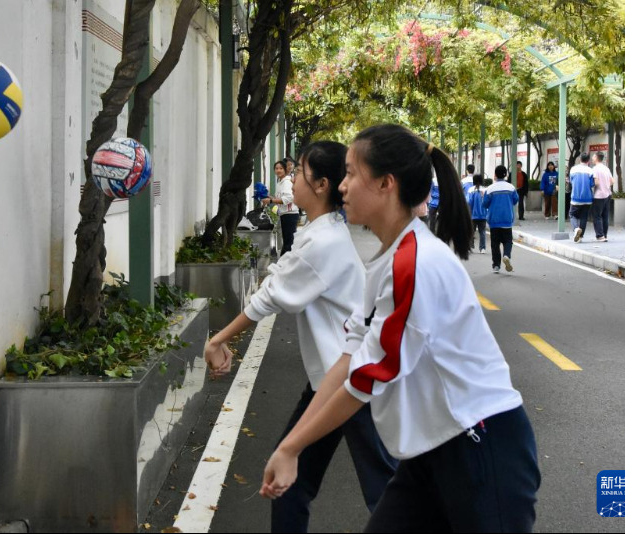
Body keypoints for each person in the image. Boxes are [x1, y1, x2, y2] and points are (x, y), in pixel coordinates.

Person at [260, 124, 540, 533]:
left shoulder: (414, 263)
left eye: (351, 173)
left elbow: (367, 377)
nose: (342, 186)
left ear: (385, 184)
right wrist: (291, 446)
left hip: (480, 447)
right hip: (431, 450)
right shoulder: (389, 257)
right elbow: (350, 354)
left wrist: (292, 447)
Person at [207, 141, 398, 533]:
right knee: (290, 483)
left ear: (321, 184)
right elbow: (279, 278)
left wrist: (217, 340)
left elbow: (272, 296)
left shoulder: (324, 241)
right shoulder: (317, 232)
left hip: (355, 382)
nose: (292, 179)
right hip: (330, 382)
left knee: (388, 494)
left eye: (298, 173)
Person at [484, 165, 519, 273]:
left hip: (494, 220)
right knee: (508, 241)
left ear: (495, 175)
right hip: (507, 219)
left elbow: (485, 204)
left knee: (495, 244)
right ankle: (506, 255)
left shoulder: (490, 189)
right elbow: (515, 200)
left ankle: (496, 266)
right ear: (506, 175)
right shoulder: (511, 187)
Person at [263, 160, 300, 255]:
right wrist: (270, 198)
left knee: (289, 242)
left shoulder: (286, 182)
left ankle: (287, 261)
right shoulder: (280, 182)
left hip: (290, 214)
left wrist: (271, 201)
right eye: (276, 168)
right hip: (285, 214)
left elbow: (289, 198)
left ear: (285, 170)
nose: (278, 170)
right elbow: (280, 198)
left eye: (281, 168)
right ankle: (284, 260)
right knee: (287, 241)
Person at [568, 153, 596, 243]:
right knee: (584, 217)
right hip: (587, 198)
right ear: (588, 160)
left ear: (580, 159)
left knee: (572, 214)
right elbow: (592, 184)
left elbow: (571, 181)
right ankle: (580, 237)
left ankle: (576, 229)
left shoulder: (573, 169)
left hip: (575, 197)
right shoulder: (590, 170)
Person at [591, 151, 615, 242]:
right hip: (608, 194)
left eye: (593, 156)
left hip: (598, 195)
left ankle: (600, 236)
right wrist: (606, 185)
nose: (592, 158)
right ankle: (605, 235)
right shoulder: (606, 168)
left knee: (597, 216)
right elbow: (612, 181)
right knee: (605, 216)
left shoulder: (595, 169)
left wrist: (593, 187)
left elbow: (596, 182)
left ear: (596, 158)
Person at [466, 174, 488, 254]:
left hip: (473, 215)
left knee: (471, 231)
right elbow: (487, 202)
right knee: (482, 232)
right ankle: (482, 248)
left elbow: (469, 202)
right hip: (483, 215)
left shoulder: (471, 190)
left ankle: (470, 247)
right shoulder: (485, 190)